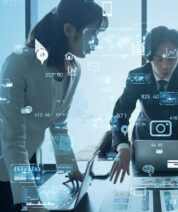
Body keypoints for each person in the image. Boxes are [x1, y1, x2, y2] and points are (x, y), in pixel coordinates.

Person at [0, 0, 108, 211]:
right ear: (68, 30)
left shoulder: (74, 70)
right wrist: (32, 200)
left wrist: (71, 168)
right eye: (91, 33)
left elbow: (59, 124)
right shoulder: (19, 63)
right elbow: (12, 140)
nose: (95, 42)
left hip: (25, 159)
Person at [109, 26, 178, 184]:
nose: (166, 65)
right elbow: (120, 113)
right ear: (149, 56)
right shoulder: (137, 76)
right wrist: (123, 148)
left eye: (172, 58)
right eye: (159, 59)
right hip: (143, 143)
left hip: (177, 145)